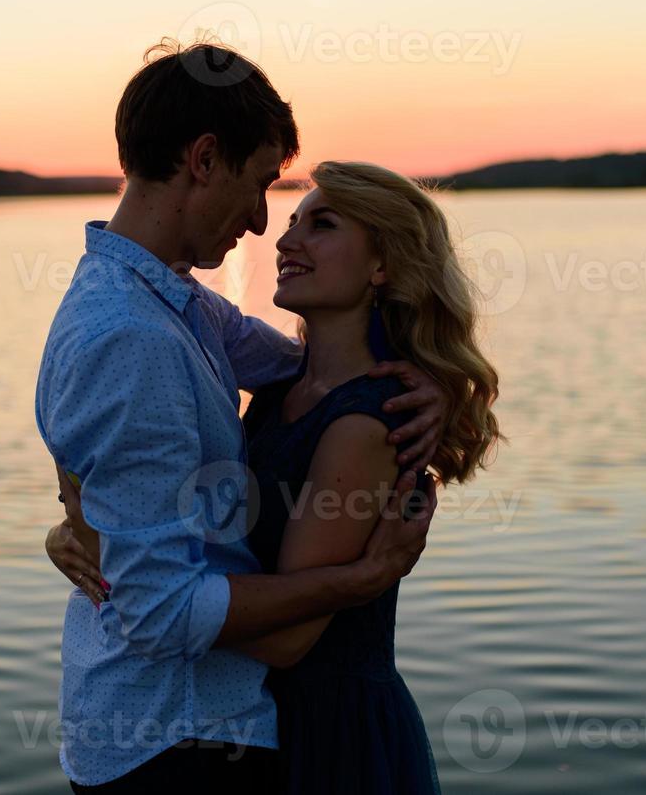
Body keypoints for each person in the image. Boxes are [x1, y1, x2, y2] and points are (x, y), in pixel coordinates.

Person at [35, 40, 452, 793]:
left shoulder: (179, 308)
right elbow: (161, 612)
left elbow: (308, 370)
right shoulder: (134, 335)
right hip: (175, 745)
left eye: (310, 219)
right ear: (202, 159)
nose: (265, 226)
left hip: (194, 731)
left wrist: (433, 384)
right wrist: (368, 576)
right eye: (261, 185)